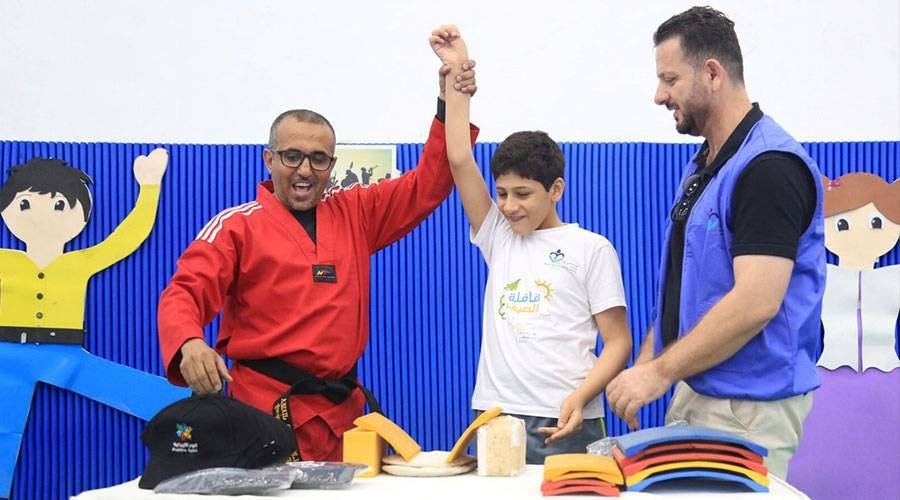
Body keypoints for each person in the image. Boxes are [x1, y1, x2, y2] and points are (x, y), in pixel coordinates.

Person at [156, 55, 479, 461]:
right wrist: (189, 343)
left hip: (344, 419)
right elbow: (184, 292)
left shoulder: (357, 213)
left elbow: (428, 185)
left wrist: (450, 103)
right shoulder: (236, 226)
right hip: (263, 412)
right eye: (291, 156)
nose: (305, 169)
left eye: (318, 158)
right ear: (269, 159)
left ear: (332, 164)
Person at [605, 6, 825, 479]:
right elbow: (688, 289)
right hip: (698, 389)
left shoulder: (768, 167)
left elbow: (756, 302)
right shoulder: (705, 165)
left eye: (669, 79)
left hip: (748, 409)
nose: (659, 95)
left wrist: (658, 373)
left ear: (712, 73)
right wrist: (648, 360)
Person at [433, 25, 632, 464]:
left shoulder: (592, 248)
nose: (508, 206)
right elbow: (459, 157)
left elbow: (618, 343)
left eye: (523, 194)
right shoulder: (498, 236)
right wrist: (456, 72)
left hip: (568, 417)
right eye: (502, 193)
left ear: (555, 189)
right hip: (496, 414)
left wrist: (581, 397)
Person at [0, 150, 189, 498]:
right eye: (25, 204)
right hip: (8, 357)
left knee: (164, 398)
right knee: (3, 433)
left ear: (81, 215)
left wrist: (149, 187)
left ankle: (197, 417)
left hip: (66, 354)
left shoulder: (80, 262)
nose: (43, 216)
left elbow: (126, 238)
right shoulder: (5, 261)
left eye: (59, 206)